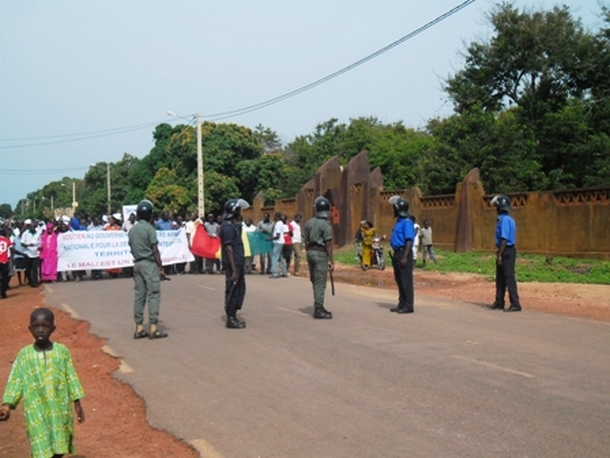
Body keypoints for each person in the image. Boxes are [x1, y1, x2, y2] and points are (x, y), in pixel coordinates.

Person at [0, 307, 85, 458]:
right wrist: (7, 405)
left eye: (45, 326)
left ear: (53, 329)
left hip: (59, 409)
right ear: (30, 328)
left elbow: (71, 376)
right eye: (36, 326)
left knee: (59, 445)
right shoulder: (25, 355)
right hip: (35, 410)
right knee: (40, 447)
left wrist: (77, 404)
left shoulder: (61, 352)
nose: (40, 330)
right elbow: (16, 380)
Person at [128, 199, 168, 339]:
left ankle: (139, 327)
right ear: (151, 215)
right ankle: (153, 327)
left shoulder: (132, 230)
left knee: (139, 296)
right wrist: (161, 267)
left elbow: (131, 247)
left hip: (137, 264)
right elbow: (155, 250)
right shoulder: (150, 229)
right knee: (154, 294)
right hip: (149, 264)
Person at [219, 198, 250, 329]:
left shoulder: (233, 224)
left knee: (239, 289)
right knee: (232, 289)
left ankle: (233, 315)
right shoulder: (227, 227)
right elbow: (229, 248)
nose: (240, 212)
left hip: (237, 262)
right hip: (233, 264)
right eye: (238, 210)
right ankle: (230, 318)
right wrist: (234, 270)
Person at [489, 195, 522, 312]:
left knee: (508, 277)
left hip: (506, 250)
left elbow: (504, 238)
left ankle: (515, 303)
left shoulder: (504, 221)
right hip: (506, 250)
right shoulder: (508, 219)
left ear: (498, 208)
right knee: (500, 277)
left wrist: (500, 255)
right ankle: (499, 301)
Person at [303, 196, 334, 319]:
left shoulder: (309, 222)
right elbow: (328, 245)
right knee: (320, 282)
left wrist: (308, 253)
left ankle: (318, 303)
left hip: (310, 252)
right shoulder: (326, 224)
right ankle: (319, 308)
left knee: (315, 280)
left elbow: (306, 241)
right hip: (321, 254)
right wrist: (331, 261)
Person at [388, 196, 415, 314]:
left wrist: (405, 256)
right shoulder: (398, 222)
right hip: (397, 253)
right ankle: (402, 303)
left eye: (394, 207)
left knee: (406, 280)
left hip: (404, 253)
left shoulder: (407, 222)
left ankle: (408, 305)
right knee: (399, 279)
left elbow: (409, 240)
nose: (393, 209)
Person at [21, 219, 41, 288]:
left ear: (35, 227)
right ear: (29, 227)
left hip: (35, 254)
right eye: (31, 227)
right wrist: (28, 245)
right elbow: (22, 243)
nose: (32, 228)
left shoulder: (38, 233)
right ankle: (30, 280)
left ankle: (35, 282)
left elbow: (40, 243)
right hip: (27, 253)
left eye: (34, 227)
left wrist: (39, 247)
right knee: (28, 269)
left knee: (35, 269)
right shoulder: (25, 233)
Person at [269, 212, 288, 278]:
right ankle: (284, 272)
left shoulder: (278, 224)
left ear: (276, 217)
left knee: (274, 258)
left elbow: (278, 235)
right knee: (280, 258)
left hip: (278, 242)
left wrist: (270, 239)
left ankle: (275, 273)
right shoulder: (280, 223)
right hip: (280, 242)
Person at [0, 226, 13, 298]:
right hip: (4, 261)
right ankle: (3, 292)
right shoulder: (6, 240)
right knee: (5, 277)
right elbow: (12, 249)